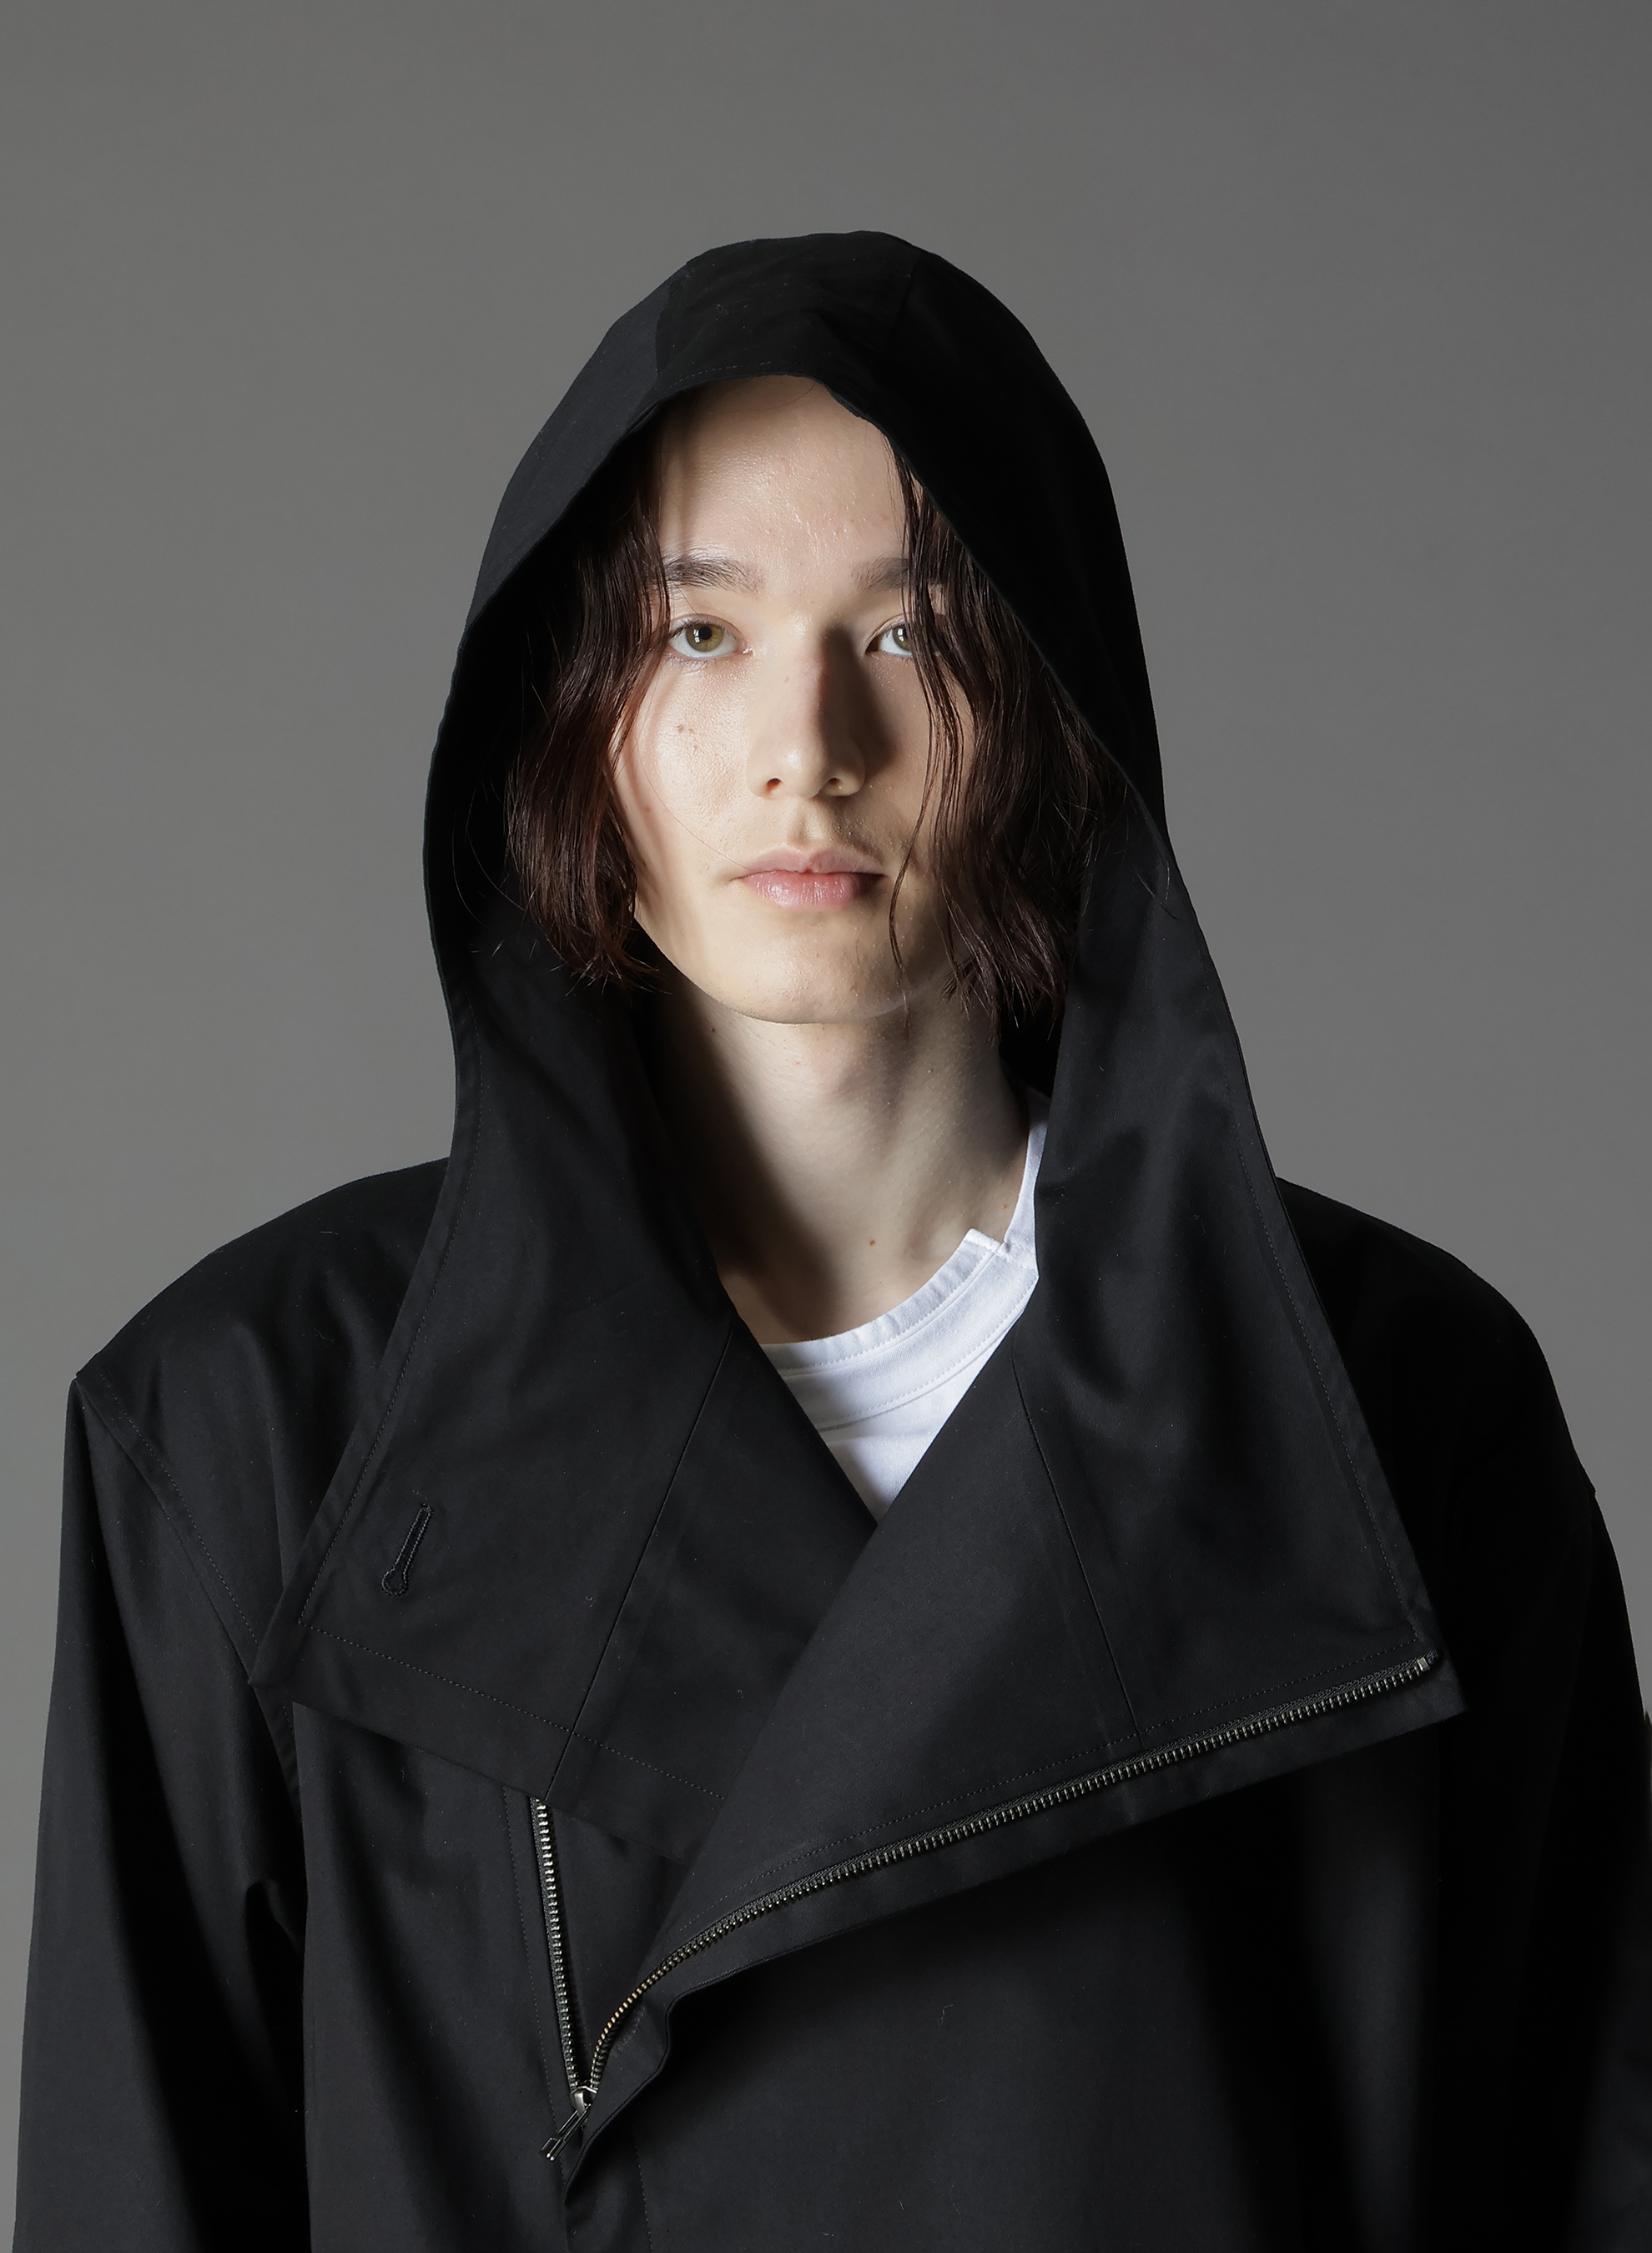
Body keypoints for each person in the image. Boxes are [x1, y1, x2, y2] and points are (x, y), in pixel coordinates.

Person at [13, 233, 1649, 2251]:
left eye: (912, 630)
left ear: (1055, 703)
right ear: (572, 712)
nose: (811, 742)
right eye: (700, 632)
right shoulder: (255, 1436)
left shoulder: (1397, 1407)